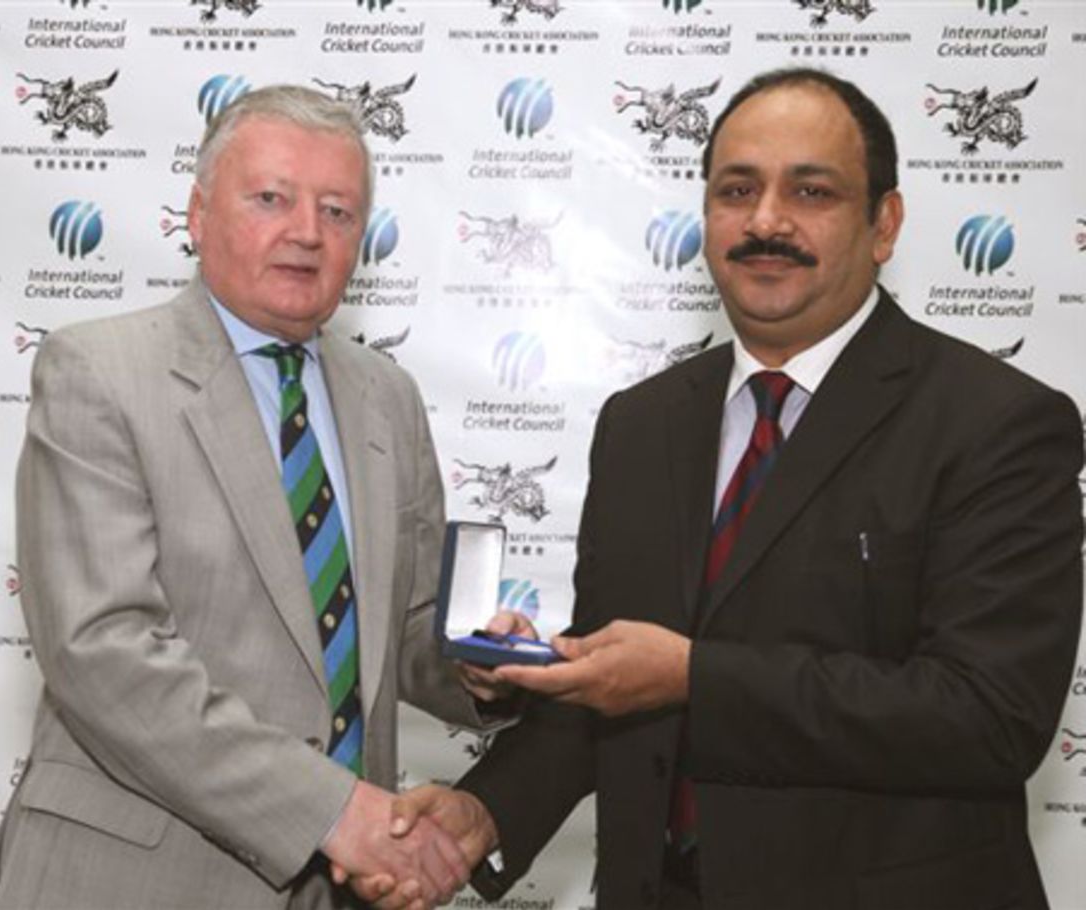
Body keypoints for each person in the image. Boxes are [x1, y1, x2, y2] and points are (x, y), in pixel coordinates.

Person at [369, 67, 1085, 910]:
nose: (766, 222)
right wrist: (484, 814)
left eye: (811, 191)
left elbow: (986, 716)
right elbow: (614, 692)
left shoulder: (995, 421)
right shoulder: (641, 424)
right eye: (736, 189)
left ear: (883, 224)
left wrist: (693, 678)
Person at [0, 85, 494, 910]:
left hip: (351, 887)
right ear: (197, 212)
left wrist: (485, 670)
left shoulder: (387, 397)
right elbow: (102, 650)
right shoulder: (97, 372)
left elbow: (404, 631)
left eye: (338, 211)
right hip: (136, 881)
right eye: (271, 199)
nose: (306, 233)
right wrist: (329, 812)